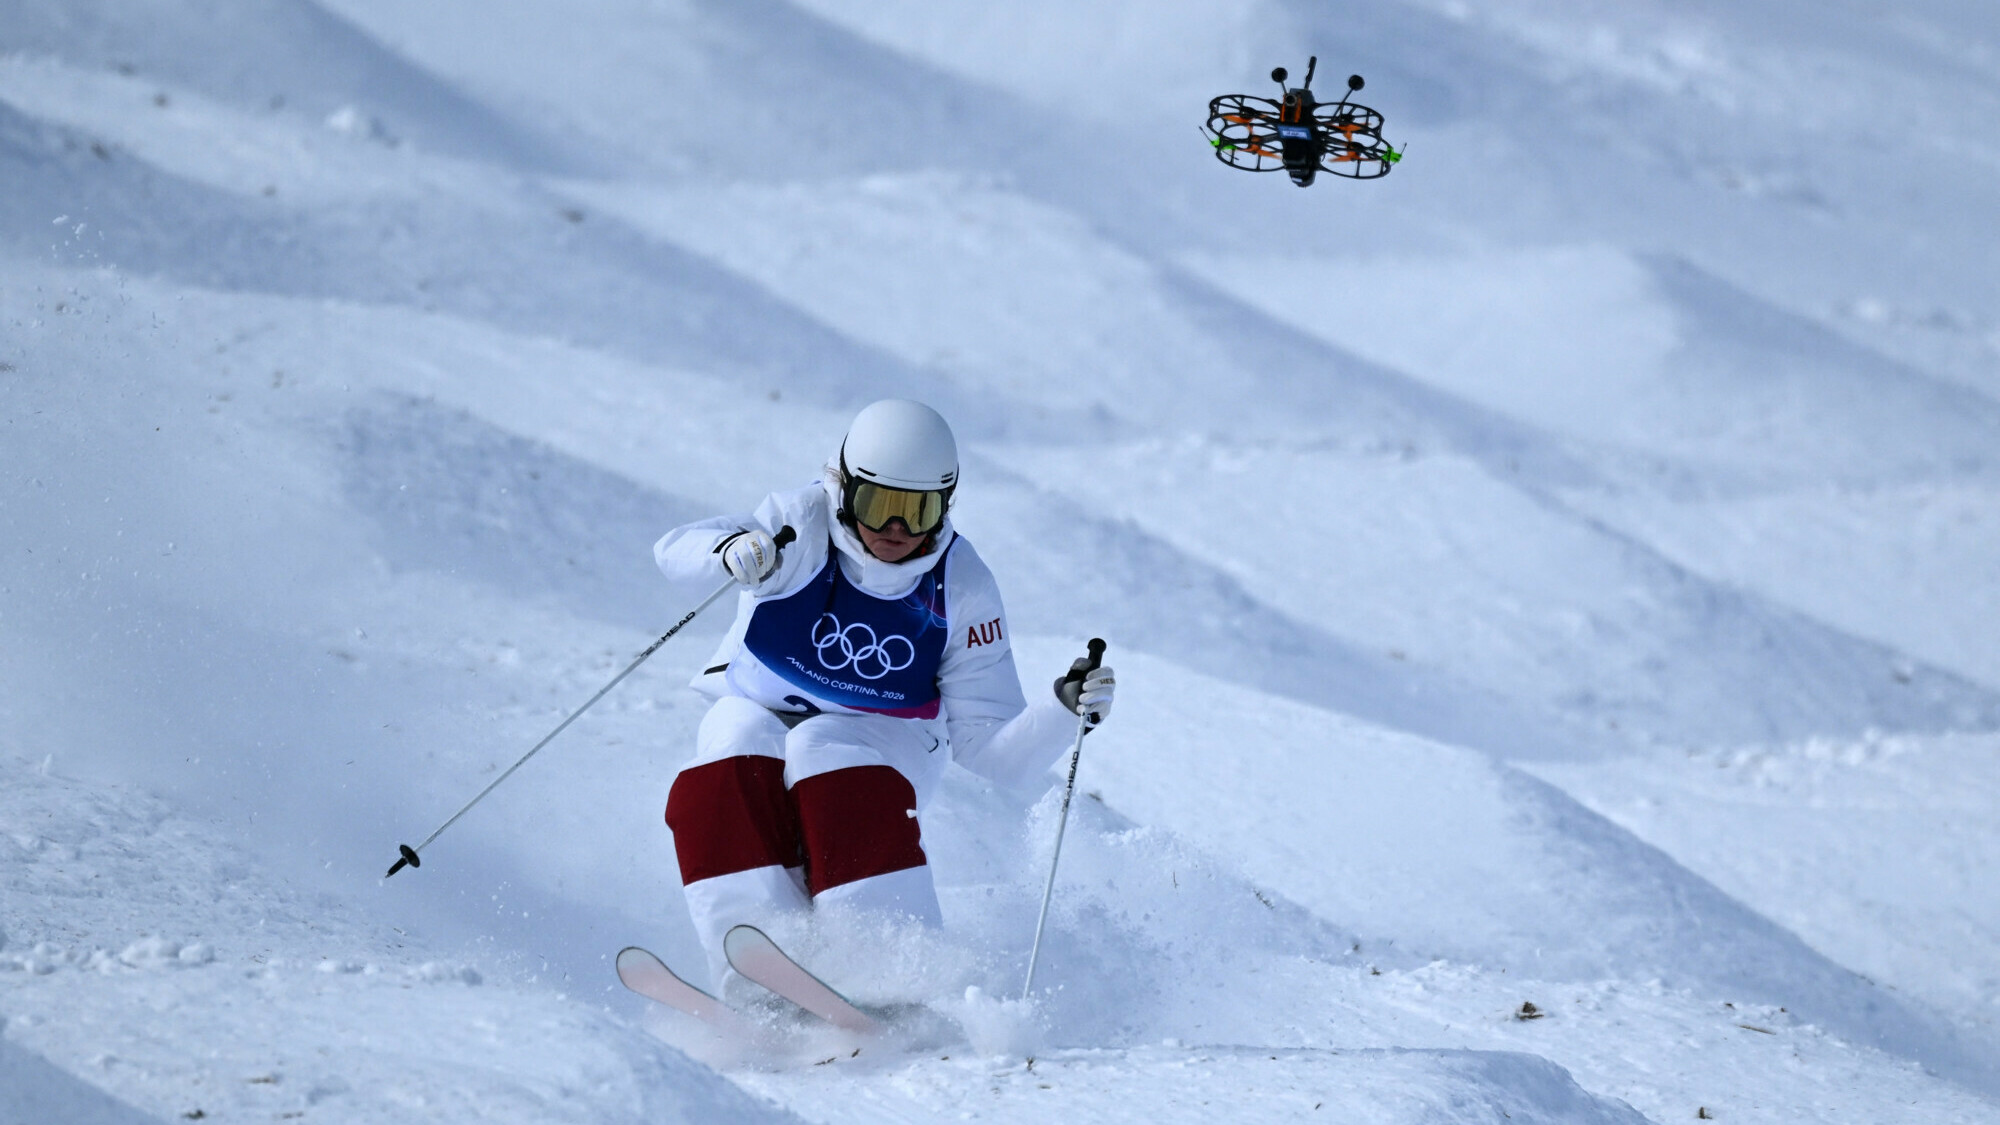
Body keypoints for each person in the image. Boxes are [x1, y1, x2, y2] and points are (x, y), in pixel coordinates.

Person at [652, 400, 1116, 997]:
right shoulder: (800, 522)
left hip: (884, 735)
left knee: (825, 751)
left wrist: (1062, 711)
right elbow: (674, 552)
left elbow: (994, 755)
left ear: (945, 504)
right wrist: (729, 551)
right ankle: (761, 974)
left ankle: (885, 974)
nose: (896, 529)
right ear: (844, 488)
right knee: (727, 760)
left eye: (917, 510)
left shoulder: (961, 583)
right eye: (879, 505)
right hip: (758, 703)